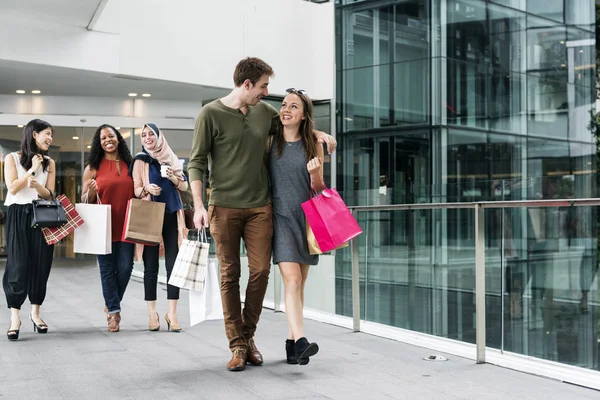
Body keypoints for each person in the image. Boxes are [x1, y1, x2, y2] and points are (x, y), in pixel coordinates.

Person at [188, 57, 336, 371]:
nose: (266, 92)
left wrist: (319, 134)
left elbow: (295, 122)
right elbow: (197, 162)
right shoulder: (210, 114)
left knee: (259, 273)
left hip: (260, 207)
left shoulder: (263, 113)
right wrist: (199, 206)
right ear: (247, 85)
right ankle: (239, 345)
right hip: (223, 207)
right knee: (230, 276)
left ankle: (249, 335)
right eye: (263, 86)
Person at [269, 89, 323, 365]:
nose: (287, 109)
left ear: (304, 115)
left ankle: (292, 346)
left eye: (294, 106)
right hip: (280, 219)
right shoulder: (269, 143)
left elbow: (320, 189)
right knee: (292, 280)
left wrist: (315, 174)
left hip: (306, 221)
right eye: (284, 104)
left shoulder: (314, 145)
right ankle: (301, 340)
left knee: (299, 284)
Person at [131, 123, 188, 332]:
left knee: (173, 266)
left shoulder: (170, 157)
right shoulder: (140, 160)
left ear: (158, 137)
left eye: (150, 134)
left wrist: (173, 176)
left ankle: (172, 314)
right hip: (150, 215)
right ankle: (152, 313)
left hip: (171, 213)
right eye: (144, 135)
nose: (147, 138)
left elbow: (184, 186)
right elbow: (135, 189)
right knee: (151, 266)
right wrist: (146, 188)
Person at [3, 119, 56, 341]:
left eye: (51, 134)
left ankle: (35, 314)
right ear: (34, 134)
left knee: (41, 263)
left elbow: (50, 194)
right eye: (47, 133)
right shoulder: (12, 158)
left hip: (42, 215)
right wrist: (31, 172)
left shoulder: (50, 162)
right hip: (17, 213)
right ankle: (15, 317)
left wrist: (39, 186)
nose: (50, 138)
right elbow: (12, 188)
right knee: (18, 264)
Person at [81, 124, 134, 333]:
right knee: (106, 271)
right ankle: (114, 312)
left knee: (126, 268)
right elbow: (85, 200)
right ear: (98, 142)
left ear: (118, 138)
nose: (107, 140)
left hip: (127, 224)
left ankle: (112, 302)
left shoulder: (130, 164)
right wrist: (92, 191)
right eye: (103, 138)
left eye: (111, 136)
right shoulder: (93, 167)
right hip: (102, 226)